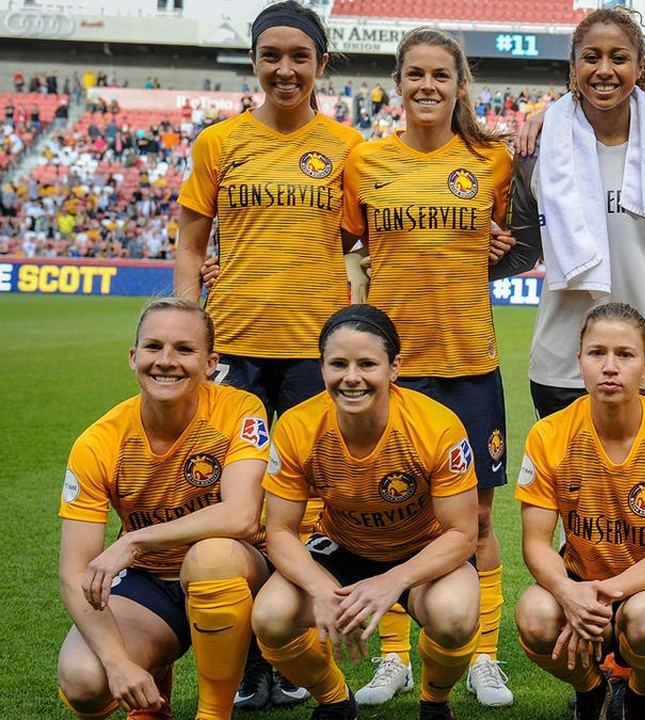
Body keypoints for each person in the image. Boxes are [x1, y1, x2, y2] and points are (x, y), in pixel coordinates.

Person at [174, 2, 367, 708]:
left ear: (321, 64)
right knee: (236, 505)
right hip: (234, 347)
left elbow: (355, 235)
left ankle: (290, 649)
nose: (285, 69)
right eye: (271, 56)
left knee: (309, 509)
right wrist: (188, 332)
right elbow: (191, 243)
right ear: (254, 61)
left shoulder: (348, 147)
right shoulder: (219, 143)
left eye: (299, 56)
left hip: (316, 355)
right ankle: (248, 658)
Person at [339, 26, 515, 707]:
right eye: (415, 73)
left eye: (441, 74)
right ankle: (392, 657)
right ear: (397, 83)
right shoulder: (366, 162)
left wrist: (498, 249)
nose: (428, 86)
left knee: (477, 517)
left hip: (469, 360)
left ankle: (484, 655)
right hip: (394, 369)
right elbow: (343, 247)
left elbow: (512, 244)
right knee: (387, 515)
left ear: (460, 84)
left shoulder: (492, 161)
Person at [250, 305, 481, 720]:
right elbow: (280, 531)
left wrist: (393, 580)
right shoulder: (297, 426)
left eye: (367, 364)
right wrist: (321, 588)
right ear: (322, 368)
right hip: (341, 548)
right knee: (270, 617)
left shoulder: (437, 426)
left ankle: (434, 704)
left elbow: (462, 534)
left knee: (454, 617)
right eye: (338, 364)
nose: (351, 377)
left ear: (394, 368)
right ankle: (336, 702)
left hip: (422, 551)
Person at [57, 298, 270, 720]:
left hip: (241, 572)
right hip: (152, 582)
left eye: (184, 349)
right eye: (153, 346)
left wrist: (133, 540)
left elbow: (242, 515)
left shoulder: (240, 409)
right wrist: (117, 663)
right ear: (133, 357)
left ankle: (214, 713)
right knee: (84, 681)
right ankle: (154, 682)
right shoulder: (98, 442)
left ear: (210, 364)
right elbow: (74, 571)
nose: (166, 360)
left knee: (210, 558)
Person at [506, 6, 645, 419]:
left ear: (639, 66)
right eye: (591, 57)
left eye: (618, 58)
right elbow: (523, 252)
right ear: (574, 65)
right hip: (562, 363)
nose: (604, 70)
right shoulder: (538, 150)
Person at [515, 302, 645, 720]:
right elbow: (535, 543)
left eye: (625, 355)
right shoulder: (548, 434)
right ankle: (591, 690)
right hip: (579, 581)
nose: (609, 367)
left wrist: (600, 596)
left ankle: (641, 695)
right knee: (534, 618)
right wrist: (567, 592)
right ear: (579, 360)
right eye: (597, 353)